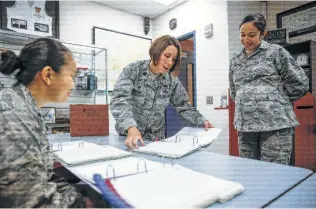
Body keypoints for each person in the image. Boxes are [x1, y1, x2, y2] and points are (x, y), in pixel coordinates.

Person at [0, 38, 98, 207]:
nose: (73, 84)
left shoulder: (24, 106)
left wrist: (77, 197)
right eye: (71, 75)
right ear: (47, 75)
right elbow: (33, 202)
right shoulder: (14, 115)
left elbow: (44, 175)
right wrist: (85, 204)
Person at [229, 13, 309, 165]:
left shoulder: (275, 52)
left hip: (275, 125)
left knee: (275, 173)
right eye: (242, 35)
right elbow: (234, 91)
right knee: (249, 170)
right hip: (246, 127)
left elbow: (300, 83)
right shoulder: (235, 60)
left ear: (263, 34)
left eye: (251, 35)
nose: (246, 40)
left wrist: (276, 100)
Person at [110, 35, 214, 149]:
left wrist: (201, 120)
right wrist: (130, 126)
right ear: (156, 51)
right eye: (167, 56)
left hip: (155, 140)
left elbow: (183, 105)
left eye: (173, 59)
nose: (169, 62)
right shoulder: (133, 70)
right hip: (128, 137)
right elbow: (119, 99)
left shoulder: (171, 80)